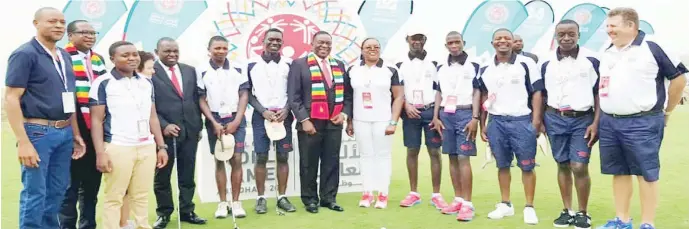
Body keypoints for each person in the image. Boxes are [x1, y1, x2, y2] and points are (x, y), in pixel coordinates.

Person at [596, 8, 687, 229]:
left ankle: (647, 223)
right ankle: (622, 220)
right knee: (619, 171)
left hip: (643, 121)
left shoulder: (652, 46)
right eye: (607, 26)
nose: (609, 30)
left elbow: (679, 80)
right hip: (610, 121)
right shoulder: (606, 49)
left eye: (613, 26)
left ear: (630, 26)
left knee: (646, 173)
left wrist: (666, 112)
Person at [4, 7, 86, 229]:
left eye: (62, 22)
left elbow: (70, 98)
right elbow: (11, 98)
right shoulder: (25, 54)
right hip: (38, 132)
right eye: (52, 21)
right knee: (35, 193)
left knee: (58, 191)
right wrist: (23, 142)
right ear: (36, 24)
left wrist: (76, 133)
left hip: (65, 132)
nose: (59, 25)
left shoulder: (65, 56)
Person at [89, 40, 169, 229]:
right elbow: (96, 121)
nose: (132, 58)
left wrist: (161, 146)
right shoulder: (103, 83)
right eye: (125, 55)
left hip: (146, 146)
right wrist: (100, 152)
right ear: (112, 59)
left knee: (141, 195)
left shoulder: (146, 82)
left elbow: (153, 117)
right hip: (118, 146)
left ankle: (143, 226)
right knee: (114, 196)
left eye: (134, 54)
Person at [477, 28, 543, 225]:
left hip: (522, 120)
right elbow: (483, 96)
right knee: (502, 165)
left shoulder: (526, 63)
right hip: (496, 121)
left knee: (527, 166)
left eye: (507, 38)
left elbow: (537, 93)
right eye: (498, 38)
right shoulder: (485, 66)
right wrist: (483, 123)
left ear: (514, 42)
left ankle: (529, 207)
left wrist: (536, 121)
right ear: (492, 43)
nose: (503, 41)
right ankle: (505, 204)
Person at [539, 20, 599, 229]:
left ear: (578, 35)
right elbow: (540, 94)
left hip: (583, 119)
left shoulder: (591, 60)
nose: (566, 38)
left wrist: (596, 122)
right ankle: (567, 210)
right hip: (554, 118)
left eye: (570, 34)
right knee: (562, 164)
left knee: (579, 165)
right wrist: (539, 122)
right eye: (561, 34)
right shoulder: (546, 63)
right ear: (555, 36)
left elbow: (598, 93)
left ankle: (583, 212)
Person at [287, 31, 353, 214]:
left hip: (334, 121)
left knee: (331, 161)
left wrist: (344, 114)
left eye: (328, 43)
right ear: (312, 44)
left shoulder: (339, 65)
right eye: (320, 43)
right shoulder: (299, 64)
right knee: (309, 163)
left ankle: (328, 198)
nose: (324, 46)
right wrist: (304, 120)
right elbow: (294, 97)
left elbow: (348, 95)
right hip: (310, 123)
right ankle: (310, 200)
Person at [151, 37, 207, 228]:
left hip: (190, 132)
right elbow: (147, 106)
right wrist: (164, 125)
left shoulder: (189, 70)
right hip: (164, 134)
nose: (172, 54)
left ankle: (187, 211)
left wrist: (198, 126)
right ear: (156, 51)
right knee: (163, 176)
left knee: (187, 174)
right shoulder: (150, 72)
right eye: (167, 51)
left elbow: (195, 100)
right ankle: (164, 213)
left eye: (175, 51)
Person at [58, 19, 108, 229]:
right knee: (69, 185)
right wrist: (73, 127)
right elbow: (64, 94)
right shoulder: (61, 56)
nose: (89, 36)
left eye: (93, 32)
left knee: (91, 184)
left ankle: (88, 225)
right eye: (83, 32)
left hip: (95, 127)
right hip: (71, 125)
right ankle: (67, 225)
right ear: (70, 36)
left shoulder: (98, 59)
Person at [345, 37, 404, 209]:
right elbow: (349, 97)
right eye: (368, 47)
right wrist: (349, 121)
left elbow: (399, 96)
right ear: (361, 50)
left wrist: (393, 122)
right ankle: (367, 192)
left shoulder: (390, 70)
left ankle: (383, 194)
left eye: (376, 47)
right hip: (360, 119)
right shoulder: (352, 70)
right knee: (365, 156)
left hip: (383, 120)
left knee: (383, 156)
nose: (372, 50)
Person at [197, 36, 250, 218]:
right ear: (209, 49)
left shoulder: (238, 67)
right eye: (217, 48)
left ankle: (236, 202)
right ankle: (222, 203)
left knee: (236, 159)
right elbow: (201, 98)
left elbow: (244, 94)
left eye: (224, 48)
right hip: (215, 118)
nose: (220, 51)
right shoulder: (201, 69)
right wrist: (213, 121)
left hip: (236, 117)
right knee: (219, 159)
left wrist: (237, 121)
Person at [247, 28, 298, 214]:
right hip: (261, 117)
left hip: (284, 116)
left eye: (278, 40)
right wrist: (263, 111)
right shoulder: (251, 64)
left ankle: (282, 197)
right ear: (263, 40)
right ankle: (261, 198)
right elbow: (247, 94)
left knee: (283, 156)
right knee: (261, 156)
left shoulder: (290, 64)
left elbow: (295, 91)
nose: (275, 43)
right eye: (271, 39)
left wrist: (287, 109)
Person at [431, 31, 480, 221]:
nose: (454, 45)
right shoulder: (441, 66)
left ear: (463, 43)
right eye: (450, 42)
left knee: (463, 157)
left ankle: (468, 204)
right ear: (446, 46)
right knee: (451, 156)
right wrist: (436, 116)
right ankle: (458, 199)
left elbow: (477, 92)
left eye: (457, 42)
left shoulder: (474, 65)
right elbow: (438, 93)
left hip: (465, 112)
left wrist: (475, 117)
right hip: (445, 114)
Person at [396, 25, 447, 209]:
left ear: (425, 40)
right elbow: (397, 91)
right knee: (412, 151)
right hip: (410, 112)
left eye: (420, 38)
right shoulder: (400, 65)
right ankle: (414, 193)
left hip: (430, 112)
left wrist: (436, 114)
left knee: (434, 151)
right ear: (407, 40)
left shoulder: (435, 63)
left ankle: (436, 194)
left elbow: (440, 90)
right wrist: (405, 106)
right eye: (413, 38)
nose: (416, 41)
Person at [116, 50, 156, 229]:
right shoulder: (113, 85)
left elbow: (152, 115)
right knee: (121, 190)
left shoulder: (147, 85)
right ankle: (122, 223)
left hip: (144, 143)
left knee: (139, 191)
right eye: (149, 68)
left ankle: (132, 222)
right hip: (122, 145)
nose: (153, 71)